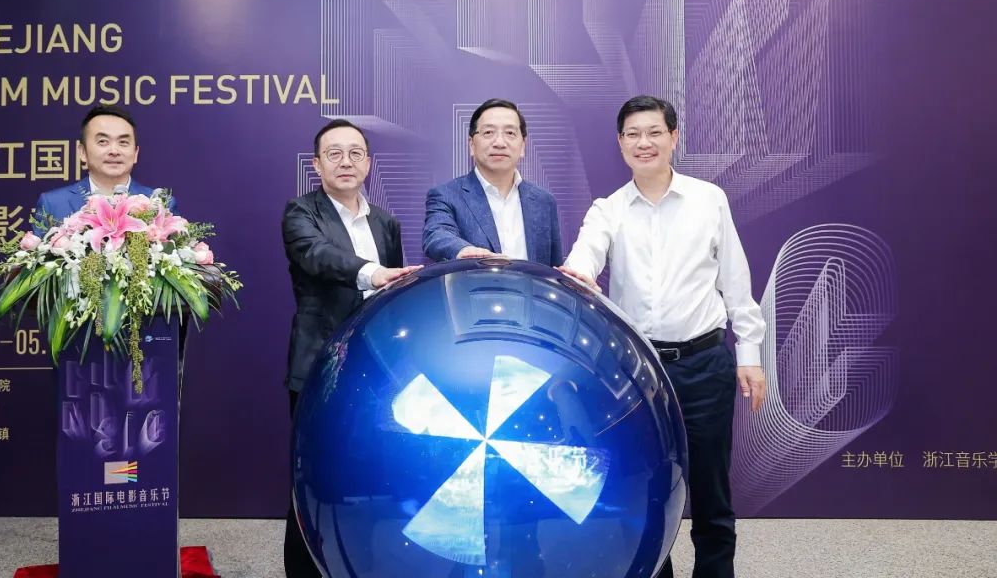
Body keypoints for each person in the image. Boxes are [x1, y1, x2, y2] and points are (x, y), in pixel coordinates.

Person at [561, 95, 767, 578]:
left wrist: (750, 354)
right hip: (638, 372)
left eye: (654, 132)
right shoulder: (608, 209)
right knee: (647, 490)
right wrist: (578, 273)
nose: (644, 143)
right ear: (620, 143)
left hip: (703, 364)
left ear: (674, 137)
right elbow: (585, 255)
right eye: (633, 134)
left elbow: (736, 282)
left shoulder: (708, 199)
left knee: (711, 491)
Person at [281, 118, 420, 577]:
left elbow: (393, 294)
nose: (346, 161)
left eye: (355, 153)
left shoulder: (385, 222)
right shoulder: (301, 212)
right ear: (317, 164)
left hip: (372, 368)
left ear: (368, 163)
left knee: (370, 476)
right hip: (319, 366)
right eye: (334, 153)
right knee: (311, 479)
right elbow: (317, 256)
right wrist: (371, 273)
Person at [423, 99, 562, 265]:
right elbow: (437, 234)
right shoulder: (446, 195)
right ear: (472, 145)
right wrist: (465, 251)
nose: (499, 143)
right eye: (488, 132)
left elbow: (553, 269)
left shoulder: (544, 201)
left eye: (510, 133)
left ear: (523, 146)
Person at [32, 105, 175, 228]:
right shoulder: (53, 204)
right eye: (103, 141)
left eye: (123, 142)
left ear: (135, 153)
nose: (114, 151)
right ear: (82, 152)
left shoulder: (161, 205)